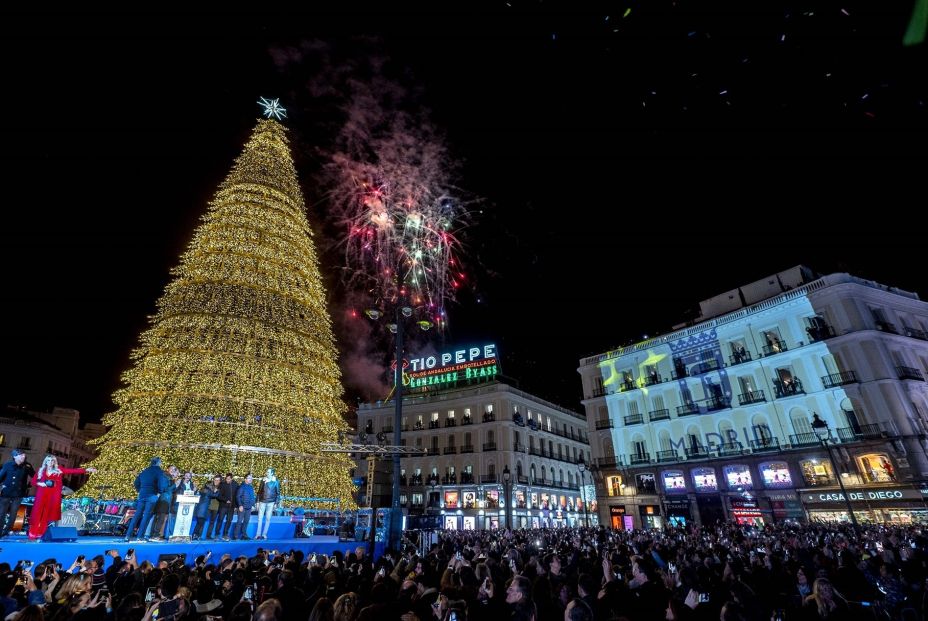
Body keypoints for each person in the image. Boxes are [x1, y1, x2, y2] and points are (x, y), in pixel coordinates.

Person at [28, 454, 96, 540]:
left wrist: (86, 470)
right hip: (41, 494)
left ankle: (41, 533)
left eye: (52, 461)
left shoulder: (58, 470)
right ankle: (33, 533)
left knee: (46, 514)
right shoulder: (40, 470)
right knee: (37, 513)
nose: (50, 462)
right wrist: (40, 483)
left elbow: (72, 471)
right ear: (45, 461)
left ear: (54, 462)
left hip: (52, 496)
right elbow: (33, 482)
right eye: (48, 460)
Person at [124, 456, 171, 541]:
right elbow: (161, 484)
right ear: (158, 463)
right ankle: (140, 537)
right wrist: (159, 492)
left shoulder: (144, 471)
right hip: (152, 495)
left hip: (142, 495)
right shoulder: (159, 471)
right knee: (146, 516)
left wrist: (141, 490)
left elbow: (136, 482)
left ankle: (128, 536)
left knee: (137, 515)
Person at [0, 448, 35, 538]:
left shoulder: (27, 466)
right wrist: (2, 486)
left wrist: (30, 485)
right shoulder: (8, 465)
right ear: (15, 456)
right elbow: (1, 476)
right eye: (21, 455)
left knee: (13, 514)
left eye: (24, 455)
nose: (24, 456)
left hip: (18, 494)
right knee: (1, 513)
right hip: (6, 493)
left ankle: (6, 531)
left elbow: (35, 476)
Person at [192, 474, 221, 540]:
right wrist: (217, 491)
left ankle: (196, 535)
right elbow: (215, 495)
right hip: (203, 509)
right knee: (200, 523)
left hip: (201, 509)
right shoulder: (208, 491)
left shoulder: (204, 490)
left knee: (199, 523)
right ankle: (195, 535)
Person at [255, 468, 279, 540]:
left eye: (268, 472)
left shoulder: (275, 481)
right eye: (267, 472)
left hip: (271, 503)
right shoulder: (263, 480)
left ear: (272, 473)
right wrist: (257, 501)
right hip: (262, 501)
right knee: (260, 518)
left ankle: (264, 534)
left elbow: (278, 493)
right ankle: (258, 534)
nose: (267, 473)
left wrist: (276, 503)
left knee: (268, 519)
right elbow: (259, 491)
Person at [234, 473, 256, 540]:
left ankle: (244, 535)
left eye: (251, 478)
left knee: (246, 521)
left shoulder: (251, 487)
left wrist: (253, 505)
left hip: (249, 508)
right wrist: (240, 505)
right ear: (245, 479)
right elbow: (238, 496)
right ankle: (236, 536)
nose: (251, 479)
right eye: (249, 478)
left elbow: (252, 497)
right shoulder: (242, 487)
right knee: (239, 521)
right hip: (242, 507)